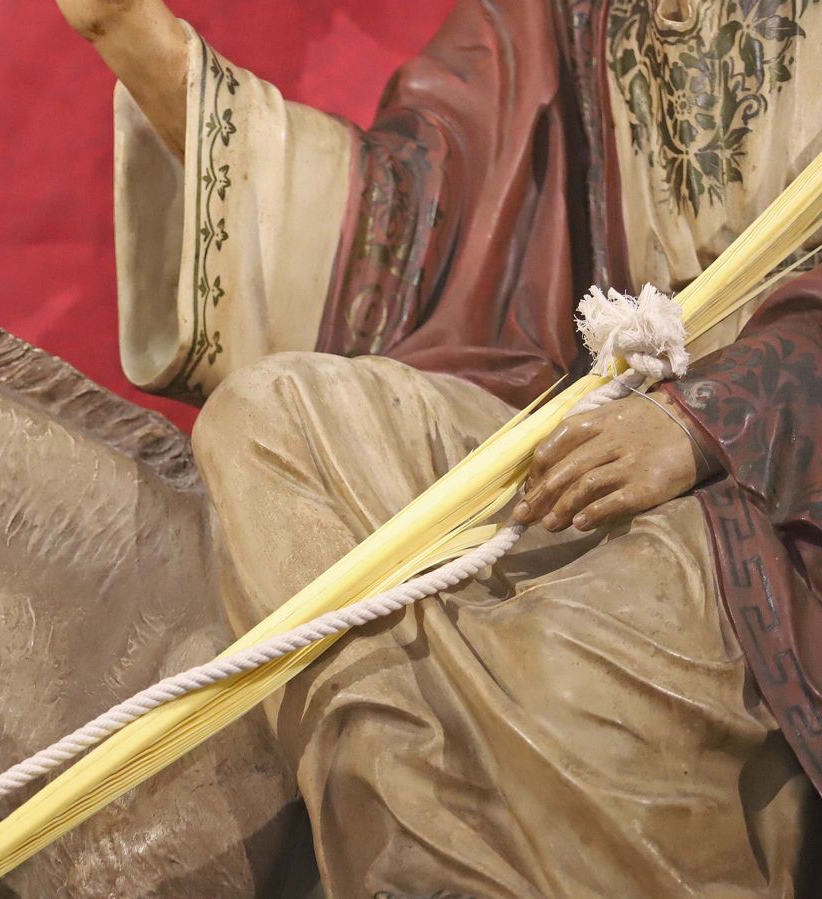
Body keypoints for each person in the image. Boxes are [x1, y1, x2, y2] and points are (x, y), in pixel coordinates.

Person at [55, 0, 822, 895]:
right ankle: (408, 843)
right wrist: (140, 42)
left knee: (578, 661)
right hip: (583, 410)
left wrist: (703, 419)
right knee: (268, 418)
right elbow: (412, 214)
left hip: (772, 467)